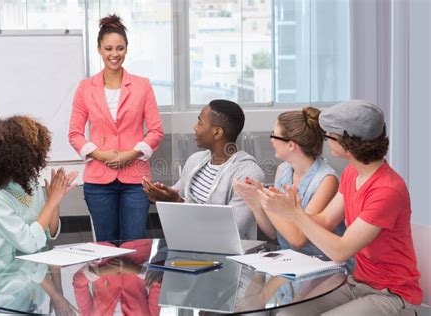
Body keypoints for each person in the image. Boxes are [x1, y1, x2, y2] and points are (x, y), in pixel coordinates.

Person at [260, 100, 422, 315]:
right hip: (357, 283)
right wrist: (287, 210)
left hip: (392, 294)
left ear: (347, 144)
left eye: (329, 137)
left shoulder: (387, 190)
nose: (326, 141)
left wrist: (296, 214)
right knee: (287, 314)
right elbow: (326, 220)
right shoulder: (352, 173)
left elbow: (341, 250)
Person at [69, 14, 164, 241]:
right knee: (106, 245)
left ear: (127, 49)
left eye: (119, 48)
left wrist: (131, 154)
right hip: (98, 182)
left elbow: (156, 131)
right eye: (109, 48)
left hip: (135, 180)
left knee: (134, 243)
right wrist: (100, 155)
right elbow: (74, 133)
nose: (114, 54)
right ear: (99, 50)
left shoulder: (142, 86)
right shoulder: (85, 88)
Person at [142, 99, 264, 239]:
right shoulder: (195, 160)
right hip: (187, 248)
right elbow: (178, 193)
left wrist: (179, 202)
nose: (195, 127)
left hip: (226, 257)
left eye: (200, 122)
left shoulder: (249, 174)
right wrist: (161, 194)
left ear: (217, 132)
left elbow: (231, 230)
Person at [233, 107, 343, 257]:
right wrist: (255, 202)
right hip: (288, 260)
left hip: (320, 263)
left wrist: (264, 199)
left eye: (274, 135)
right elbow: (273, 233)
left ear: (291, 145)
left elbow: (298, 240)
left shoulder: (326, 180)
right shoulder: (283, 170)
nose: (271, 140)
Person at [0, 115, 77, 260]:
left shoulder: (31, 184)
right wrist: (51, 202)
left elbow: (50, 232)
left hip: (33, 269)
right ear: (21, 158)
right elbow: (29, 244)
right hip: (5, 275)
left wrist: (54, 199)